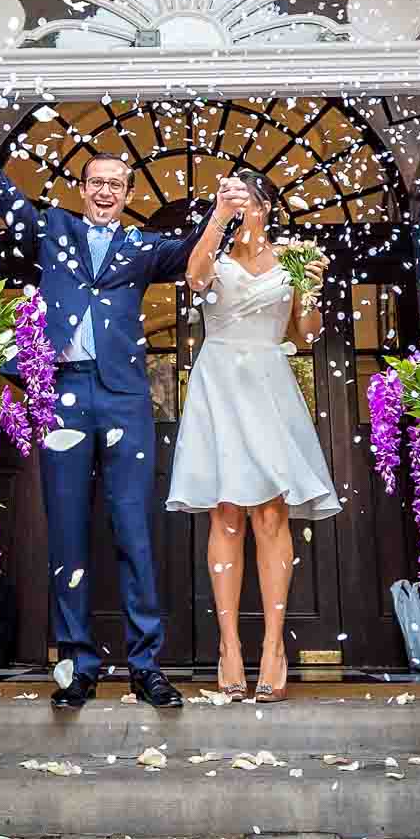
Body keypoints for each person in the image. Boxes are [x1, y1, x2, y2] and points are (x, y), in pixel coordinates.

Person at [0, 91, 207, 709]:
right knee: (68, 533)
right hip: (59, 394)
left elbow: (197, 249)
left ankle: (145, 666)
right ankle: (76, 664)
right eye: (96, 181)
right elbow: (0, 195)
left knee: (135, 530)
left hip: (125, 398)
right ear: (83, 189)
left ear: (129, 190)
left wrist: (232, 212)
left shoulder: (144, 248)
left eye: (116, 182)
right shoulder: (53, 229)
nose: (106, 190)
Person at [167, 169, 335, 703]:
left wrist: (312, 286)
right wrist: (218, 218)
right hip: (218, 381)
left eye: (245, 198)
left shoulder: (294, 257)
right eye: (229, 197)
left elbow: (306, 334)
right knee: (226, 512)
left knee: (270, 513)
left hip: (268, 383)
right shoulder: (212, 251)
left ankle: (272, 646)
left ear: (265, 204)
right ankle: (229, 645)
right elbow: (194, 281)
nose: (239, 205)